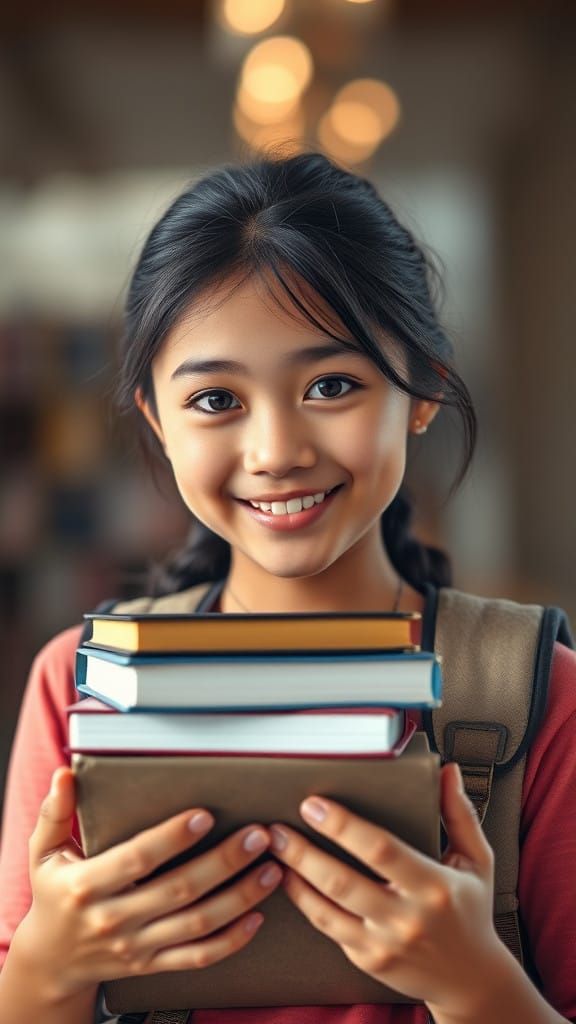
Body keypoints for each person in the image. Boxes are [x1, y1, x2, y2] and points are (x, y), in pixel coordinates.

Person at [0, 151, 574, 1024]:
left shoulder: (536, 696)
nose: (276, 452)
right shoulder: (79, 683)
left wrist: (476, 984)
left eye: (331, 386)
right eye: (215, 400)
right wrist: (50, 970)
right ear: (156, 418)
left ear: (423, 389)